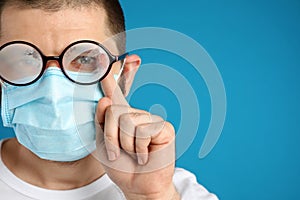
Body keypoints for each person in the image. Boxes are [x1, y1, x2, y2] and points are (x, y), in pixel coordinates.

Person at [0, 1, 218, 199]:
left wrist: (151, 196)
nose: (53, 93)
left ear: (125, 76)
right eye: (23, 59)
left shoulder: (176, 193)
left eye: (85, 59)